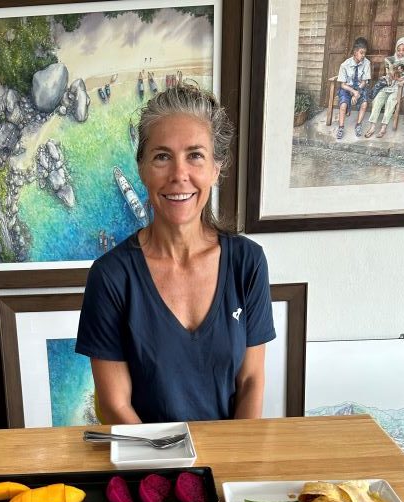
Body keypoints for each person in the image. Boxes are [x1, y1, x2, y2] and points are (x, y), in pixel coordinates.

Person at [75, 83, 276, 424]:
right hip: (146, 468)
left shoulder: (248, 263)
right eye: (162, 156)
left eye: (195, 155)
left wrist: (233, 467)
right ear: (142, 168)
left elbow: (251, 382)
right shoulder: (110, 276)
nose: (179, 175)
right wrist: (174, 474)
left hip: (229, 467)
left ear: (216, 168)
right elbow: (114, 405)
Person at [365, 37, 404, 138]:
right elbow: (390, 74)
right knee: (378, 98)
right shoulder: (393, 59)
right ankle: (372, 126)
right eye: (399, 49)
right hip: (390, 85)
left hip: (401, 87)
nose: (401, 52)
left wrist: (402, 81)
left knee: (391, 100)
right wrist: (388, 76)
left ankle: (383, 127)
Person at [336, 37, 371, 140]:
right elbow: (343, 85)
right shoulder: (345, 65)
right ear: (355, 52)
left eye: (364, 53)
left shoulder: (366, 63)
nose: (363, 55)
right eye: (361, 53)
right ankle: (341, 127)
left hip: (360, 87)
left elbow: (364, 81)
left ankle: (358, 125)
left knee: (364, 104)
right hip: (347, 88)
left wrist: (358, 92)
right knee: (343, 105)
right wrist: (353, 92)